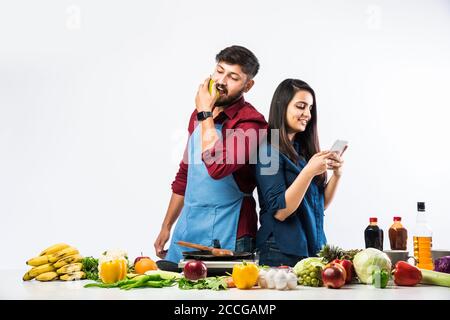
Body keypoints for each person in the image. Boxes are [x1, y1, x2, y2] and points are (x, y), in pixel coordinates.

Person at [154, 45, 268, 264]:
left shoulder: (250, 123)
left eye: (233, 77)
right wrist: (166, 226)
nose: (221, 81)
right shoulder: (197, 117)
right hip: (188, 228)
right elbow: (185, 176)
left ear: (248, 85)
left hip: (229, 232)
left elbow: (218, 167)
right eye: (219, 70)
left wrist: (205, 113)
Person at [255, 78, 346, 267]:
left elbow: (319, 205)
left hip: (312, 248)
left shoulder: (302, 149)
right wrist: (309, 172)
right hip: (280, 251)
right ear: (282, 106)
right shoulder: (267, 151)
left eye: (310, 108)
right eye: (301, 106)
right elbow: (280, 211)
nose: (307, 114)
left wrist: (337, 175)